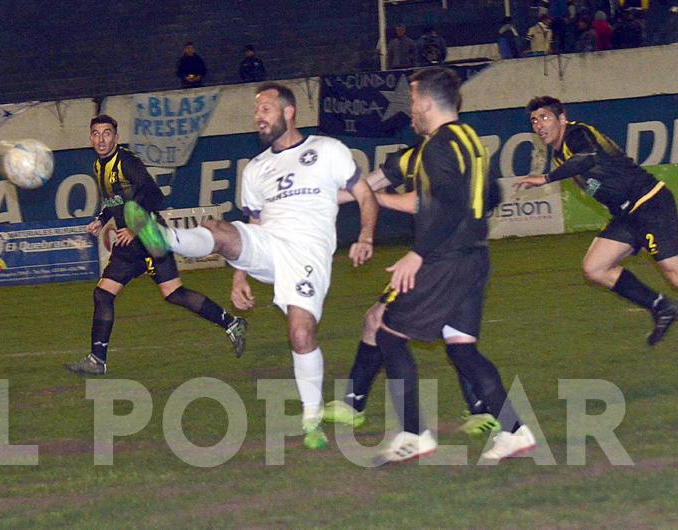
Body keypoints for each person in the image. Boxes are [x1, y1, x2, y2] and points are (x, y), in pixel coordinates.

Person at [124, 82, 379, 450]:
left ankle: (312, 420)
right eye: (256, 110)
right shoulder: (256, 169)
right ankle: (166, 240)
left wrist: (367, 236)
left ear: (289, 112)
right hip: (268, 244)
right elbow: (254, 226)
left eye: (265, 109)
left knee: (300, 333)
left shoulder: (327, 150)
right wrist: (239, 275)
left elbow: (364, 194)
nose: (258, 116)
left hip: (308, 253)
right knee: (219, 229)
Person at [360, 67, 535, 464]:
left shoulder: (438, 147)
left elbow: (449, 204)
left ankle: (413, 434)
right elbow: (487, 194)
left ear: (425, 102)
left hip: (444, 258)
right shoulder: (471, 140)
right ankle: (514, 430)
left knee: (388, 334)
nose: (410, 110)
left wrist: (417, 253)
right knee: (461, 348)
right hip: (475, 257)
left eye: (412, 100)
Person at [323, 147, 503, 438]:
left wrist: (374, 199)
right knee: (448, 337)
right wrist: (319, 198)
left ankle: (410, 428)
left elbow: (431, 202)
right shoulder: (410, 156)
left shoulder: (452, 155)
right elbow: (369, 184)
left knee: (386, 326)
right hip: (440, 257)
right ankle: (493, 414)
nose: (414, 110)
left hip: (442, 258)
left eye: (418, 102)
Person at [65, 114, 247, 376]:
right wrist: (101, 219)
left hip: (148, 236)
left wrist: (133, 227)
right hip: (128, 244)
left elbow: (154, 195)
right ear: (91, 138)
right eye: (96, 133)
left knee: (174, 294)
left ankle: (231, 323)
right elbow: (115, 200)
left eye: (107, 133)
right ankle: (97, 360)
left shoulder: (127, 162)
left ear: (116, 137)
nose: (101, 139)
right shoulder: (98, 166)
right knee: (103, 294)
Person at [515, 96, 678, 346]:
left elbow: (588, 156)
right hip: (626, 215)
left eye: (545, 117)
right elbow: (594, 182)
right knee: (595, 268)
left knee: (673, 272)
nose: (539, 124)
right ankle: (661, 306)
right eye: (534, 120)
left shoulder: (577, 133)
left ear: (562, 118)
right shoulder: (560, 156)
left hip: (649, 202)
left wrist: (546, 179)